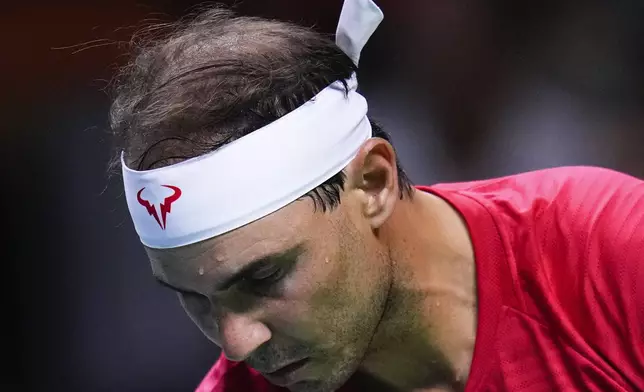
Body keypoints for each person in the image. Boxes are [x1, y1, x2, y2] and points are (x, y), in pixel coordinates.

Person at [109, 0, 644, 391]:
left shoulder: (611, 254)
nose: (237, 344)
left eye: (263, 276)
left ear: (372, 185)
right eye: (194, 299)